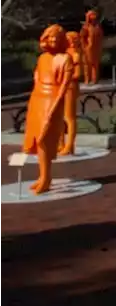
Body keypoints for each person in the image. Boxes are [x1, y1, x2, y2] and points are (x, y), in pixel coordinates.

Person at [23, 25, 74, 195]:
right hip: (38, 98)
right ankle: (43, 176)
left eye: (57, 38)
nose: (53, 41)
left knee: (45, 138)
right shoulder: (42, 58)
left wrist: (54, 108)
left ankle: (46, 177)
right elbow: (36, 78)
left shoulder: (65, 58)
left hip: (52, 99)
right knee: (38, 139)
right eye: (50, 37)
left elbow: (64, 87)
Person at [80, 10, 104, 85]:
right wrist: (85, 47)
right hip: (88, 48)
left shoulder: (98, 26)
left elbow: (101, 36)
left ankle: (95, 80)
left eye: (94, 15)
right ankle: (87, 80)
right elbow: (82, 37)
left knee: (95, 65)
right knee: (87, 65)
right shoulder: (86, 27)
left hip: (97, 48)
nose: (93, 17)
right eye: (91, 16)